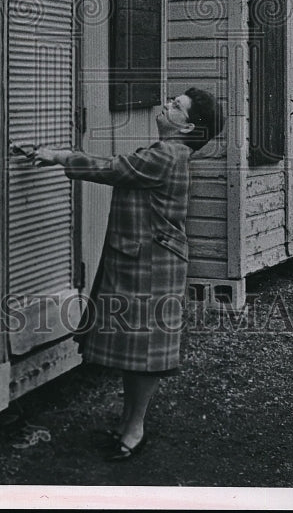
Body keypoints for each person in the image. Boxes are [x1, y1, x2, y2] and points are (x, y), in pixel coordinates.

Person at [33, 87, 224, 462]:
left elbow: (112, 169)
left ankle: (134, 429)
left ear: (187, 128)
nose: (168, 104)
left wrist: (57, 156)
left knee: (147, 353)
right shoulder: (169, 152)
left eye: (177, 106)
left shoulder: (166, 154)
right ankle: (129, 424)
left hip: (152, 266)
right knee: (139, 352)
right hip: (149, 261)